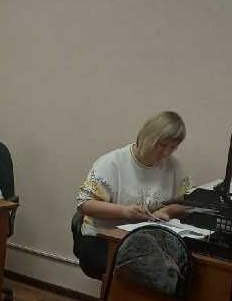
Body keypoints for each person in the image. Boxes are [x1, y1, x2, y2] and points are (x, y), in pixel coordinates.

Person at [74, 111, 190, 280]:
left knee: (185, 267)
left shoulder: (174, 166)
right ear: (146, 137)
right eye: (162, 145)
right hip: (103, 238)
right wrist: (125, 212)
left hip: (147, 239)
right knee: (151, 273)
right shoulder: (112, 163)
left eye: (173, 147)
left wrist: (166, 212)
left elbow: (186, 202)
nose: (166, 152)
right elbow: (84, 204)